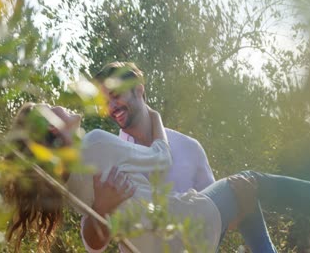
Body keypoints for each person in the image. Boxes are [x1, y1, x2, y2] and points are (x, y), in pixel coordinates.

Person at [5, 102, 310, 253]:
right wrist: (155, 117)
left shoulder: (68, 186)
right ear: (53, 131)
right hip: (177, 225)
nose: (60, 105)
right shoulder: (96, 145)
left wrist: (99, 210)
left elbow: (94, 241)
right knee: (251, 180)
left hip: (160, 244)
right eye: (51, 109)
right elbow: (159, 158)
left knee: (245, 200)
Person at [84, 61, 216, 252]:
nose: (111, 107)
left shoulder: (190, 148)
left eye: (115, 96)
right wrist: (100, 208)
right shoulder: (107, 157)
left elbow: (216, 215)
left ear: (138, 91)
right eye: (105, 103)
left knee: (244, 188)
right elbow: (93, 246)